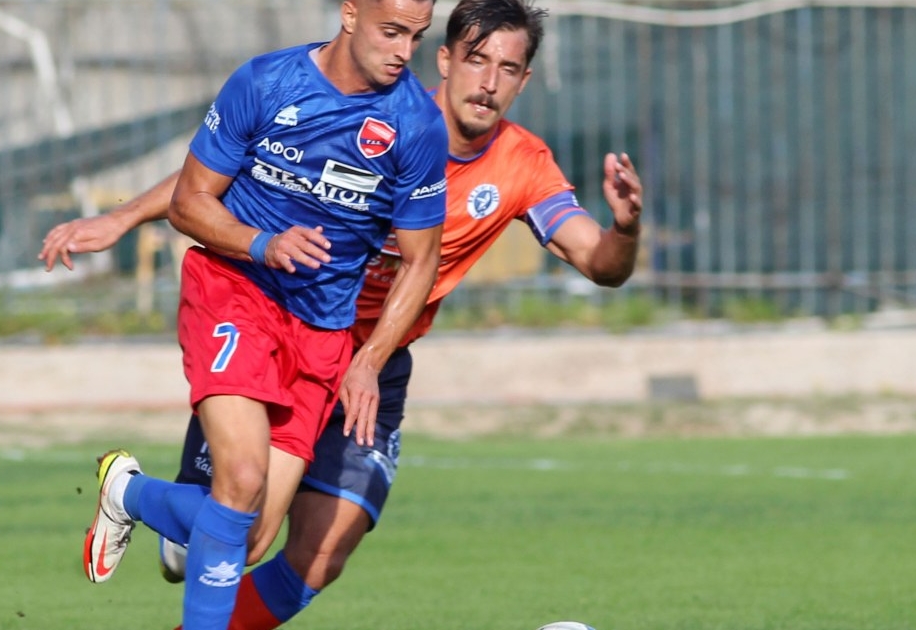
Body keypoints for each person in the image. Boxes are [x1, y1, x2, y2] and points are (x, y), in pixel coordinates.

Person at [41, 0, 641, 627]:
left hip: (363, 358)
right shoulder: (354, 103)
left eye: (508, 68)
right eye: (476, 60)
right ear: (446, 60)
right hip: (269, 313)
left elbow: (597, 262)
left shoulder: (515, 163)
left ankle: (144, 503)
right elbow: (227, 172)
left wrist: (625, 228)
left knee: (308, 552)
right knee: (225, 523)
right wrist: (123, 217)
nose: (488, 82)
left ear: (525, 79)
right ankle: (144, 499)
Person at [72, 1, 448, 629]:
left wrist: (370, 359)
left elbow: (421, 259)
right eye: (391, 32)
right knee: (242, 480)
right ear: (350, 13)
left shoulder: (416, 123)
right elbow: (189, 202)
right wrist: (261, 244)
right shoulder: (266, 82)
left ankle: (127, 492)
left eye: (416, 36)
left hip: (323, 333)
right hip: (236, 290)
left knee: (246, 539)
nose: (404, 52)